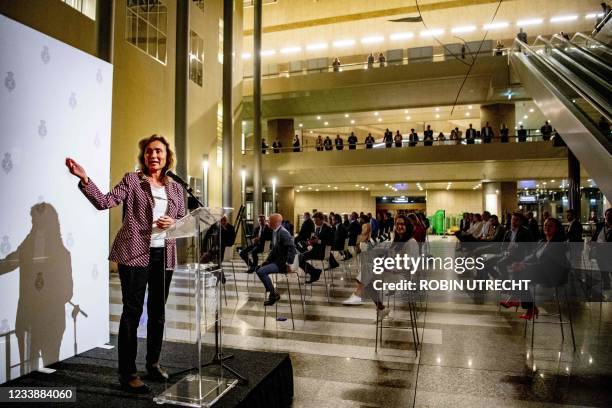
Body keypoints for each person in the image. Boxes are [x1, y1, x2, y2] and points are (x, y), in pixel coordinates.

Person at [65, 135, 185, 393]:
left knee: (158, 312)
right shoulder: (133, 180)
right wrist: (85, 179)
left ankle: (152, 363)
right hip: (134, 253)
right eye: (149, 152)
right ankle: (127, 373)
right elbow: (104, 202)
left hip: (164, 254)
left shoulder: (175, 187)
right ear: (143, 156)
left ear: (167, 157)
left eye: (159, 152)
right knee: (132, 313)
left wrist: (173, 223)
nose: (154, 156)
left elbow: (182, 219)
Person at [508, 218, 569, 320]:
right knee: (519, 272)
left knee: (522, 275)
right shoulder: (542, 241)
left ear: (556, 228)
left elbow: (547, 264)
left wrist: (525, 266)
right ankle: (527, 305)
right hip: (542, 272)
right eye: (545, 225)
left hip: (553, 275)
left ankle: (520, 300)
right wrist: (521, 263)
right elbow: (533, 256)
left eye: (550, 226)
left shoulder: (558, 244)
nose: (547, 228)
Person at [256, 213, 296, 306]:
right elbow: (274, 250)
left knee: (261, 272)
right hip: (277, 261)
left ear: (276, 222)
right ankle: (272, 293)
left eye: (269, 220)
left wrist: (288, 265)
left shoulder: (283, 232)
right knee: (258, 269)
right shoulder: (275, 231)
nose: (267, 222)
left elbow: (292, 249)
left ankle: (273, 294)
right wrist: (267, 260)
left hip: (282, 264)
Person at [301, 212, 335, 284]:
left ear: (322, 220)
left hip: (321, 252)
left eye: (317, 220)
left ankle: (314, 272)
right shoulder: (318, 229)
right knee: (300, 257)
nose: (315, 222)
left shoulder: (328, 229)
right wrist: (311, 242)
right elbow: (316, 240)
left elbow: (330, 242)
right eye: (315, 220)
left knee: (300, 258)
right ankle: (314, 272)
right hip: (316, 250)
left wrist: (318, 241)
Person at [590, 208, 612, 290]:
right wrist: (592, 241)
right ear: (605, 216)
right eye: (607, 215)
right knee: (602, 268)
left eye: (611, 215)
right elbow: (595, 235)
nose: (609, 216)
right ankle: (607, 283)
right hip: (599, 252)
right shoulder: (600, 225)